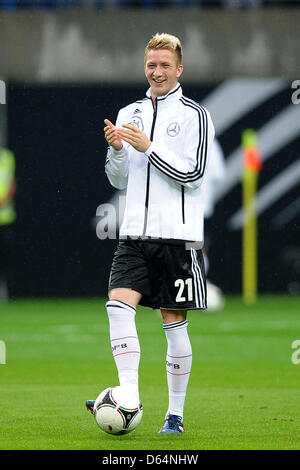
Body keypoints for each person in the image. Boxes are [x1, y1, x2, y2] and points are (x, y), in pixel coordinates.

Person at [86, 33, 215, 433]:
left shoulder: (196, 115)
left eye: (164, 65)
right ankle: (129, 397)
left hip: (175, 238)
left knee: (173, 324)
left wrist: (148, 146)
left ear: (179, 69)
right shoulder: (130, 111)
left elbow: (194, 175)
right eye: (151, 64)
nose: (156, 71)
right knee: (117, 307)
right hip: (132, 236)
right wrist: (119, 151)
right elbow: (118, 177)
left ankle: (174, 414)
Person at [201, 137, 226, 311]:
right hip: (199, 206)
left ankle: (193, 287)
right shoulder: (210, 140)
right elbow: (218, 175)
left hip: (180, 208)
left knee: (182, 248)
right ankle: (196, 286)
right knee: (196, 247)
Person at [0, 131, 17, 301]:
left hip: (5, 218)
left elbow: (11, 183)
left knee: (5, 258)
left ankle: (6, 293)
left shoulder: (7, 157)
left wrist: (3, 201)